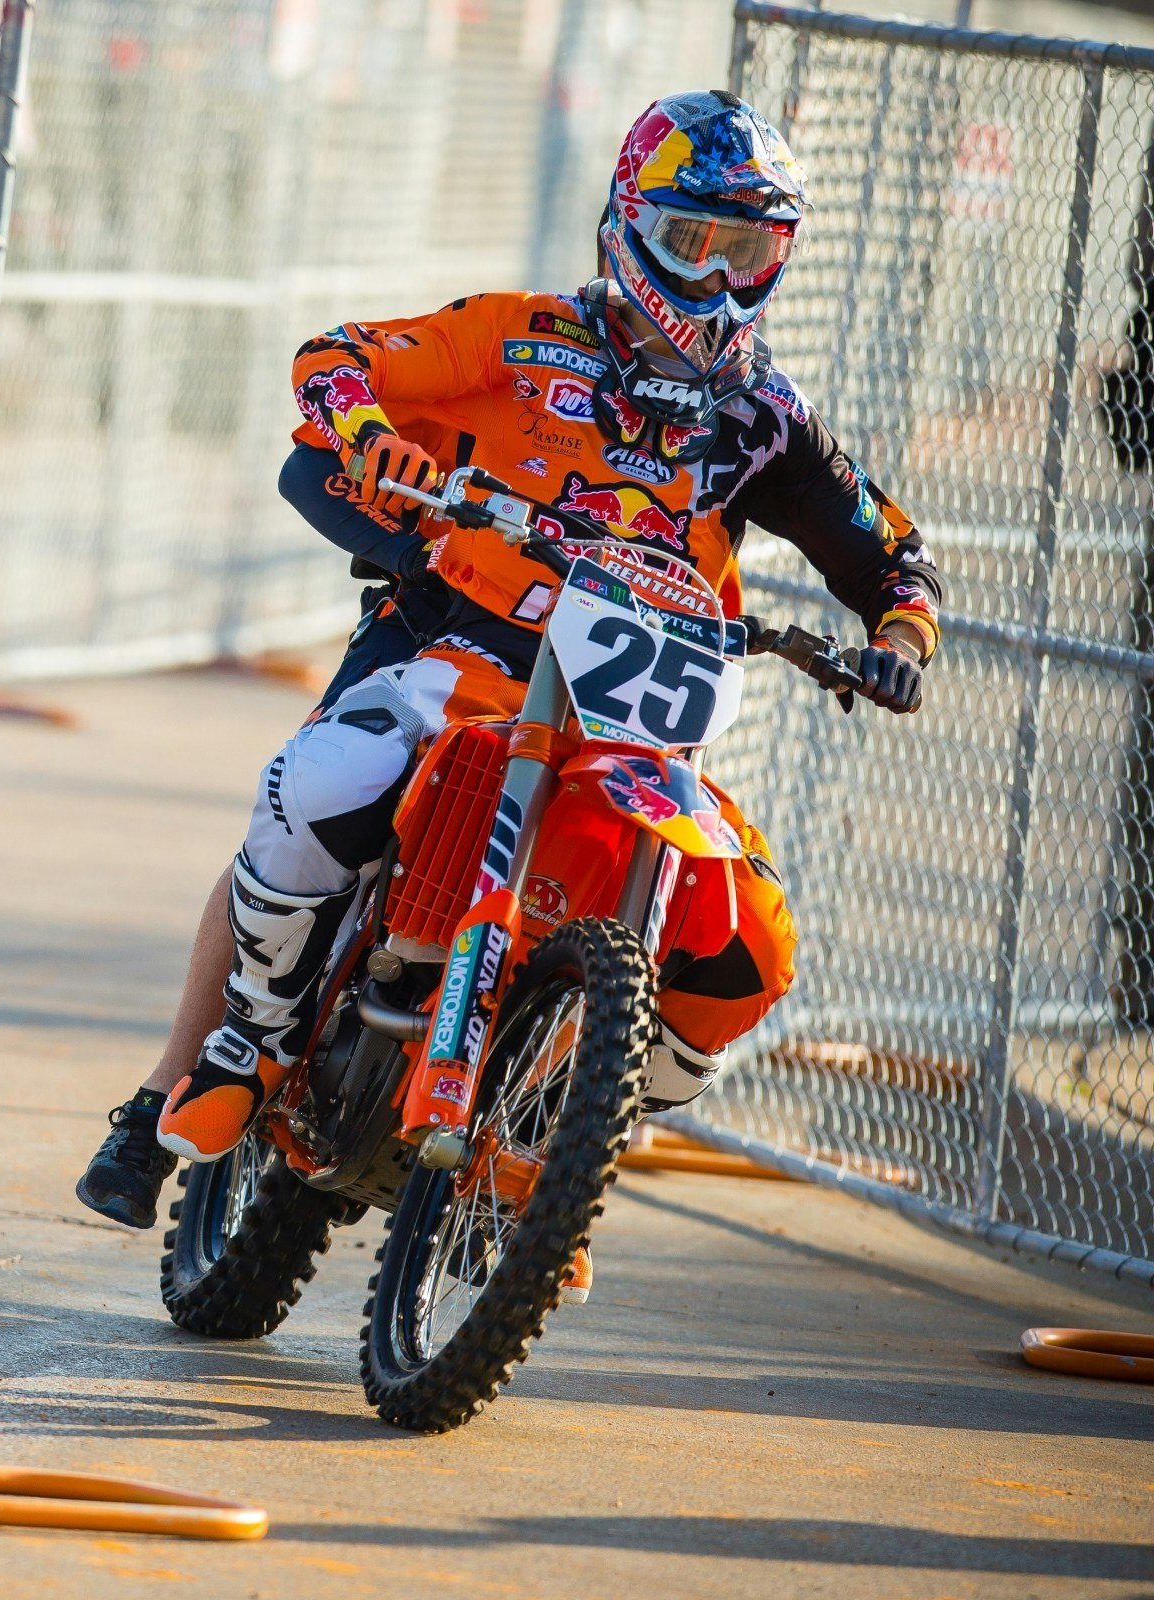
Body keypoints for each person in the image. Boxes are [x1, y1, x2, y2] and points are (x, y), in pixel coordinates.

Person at [75, 92, 944, 1258]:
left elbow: (892, 554)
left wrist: (900, 640)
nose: (718, 279)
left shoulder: (766, 418)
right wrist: (371, 436)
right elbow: (333, 360)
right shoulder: (519, 334)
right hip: (470, 643)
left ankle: (551, 1141)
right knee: (323, 783)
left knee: (750, 938)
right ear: (627, 224)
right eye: (693, 241)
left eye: (748, 252)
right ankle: (248, 1041)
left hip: (635, 714)